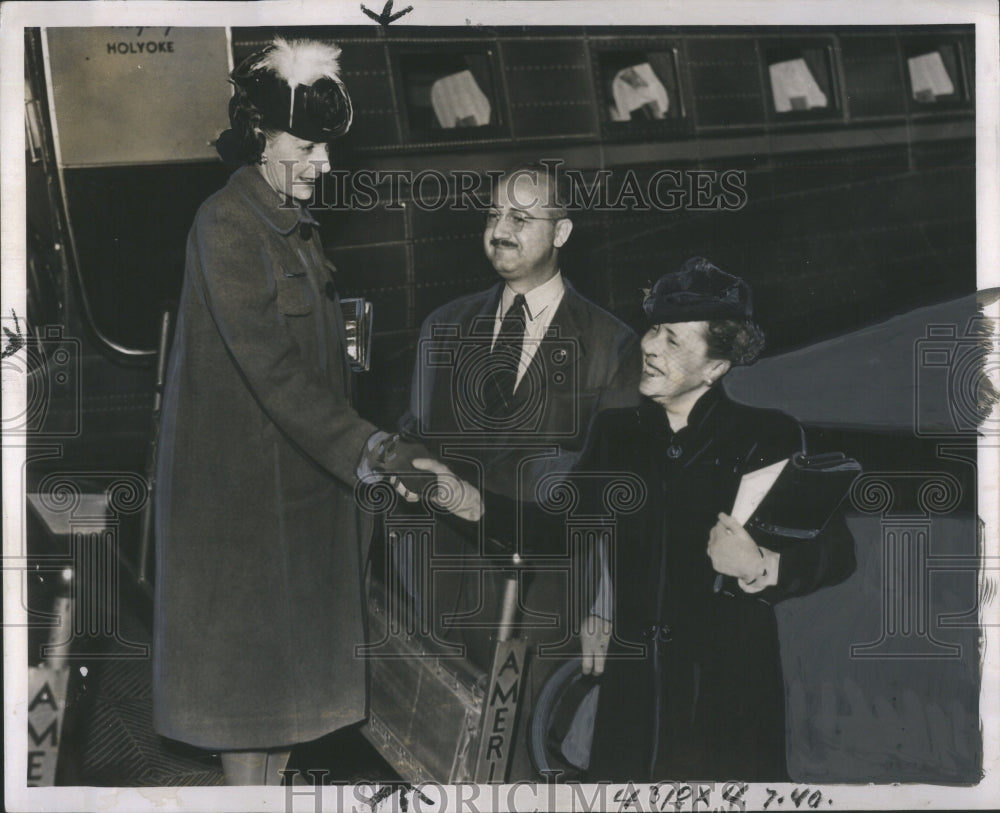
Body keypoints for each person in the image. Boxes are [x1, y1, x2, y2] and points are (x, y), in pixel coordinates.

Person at [152, 36, 480, 786]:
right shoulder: (227, 225)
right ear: (261, 140)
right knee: (251, 696)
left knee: (288, 694)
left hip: (297, 484)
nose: (325, 164)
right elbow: (273, 371)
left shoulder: (289, 222)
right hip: (245, 501)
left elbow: (321, 361)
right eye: (308, 146)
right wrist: (378, 449)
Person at [398, 163, 641, 779]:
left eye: (521, 219)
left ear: (561, 233)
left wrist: (607, 608)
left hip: (542, 598)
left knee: (515, 764)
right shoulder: (443, 328)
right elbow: (416, 437)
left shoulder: (610, 345)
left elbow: (617, 494)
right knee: (435, 762)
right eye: (493, 216)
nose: (500, 230)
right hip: (444, 592)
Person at [579, 257, 856, 781]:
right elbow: (554, 525)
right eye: (654, 329)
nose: (650, 345)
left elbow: (837, 552)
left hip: (727, 709)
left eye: (674, 340)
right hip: (634, 705)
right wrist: (459, 495)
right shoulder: (616, 436)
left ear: (716, 367)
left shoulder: (766, 437)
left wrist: (760, 564)